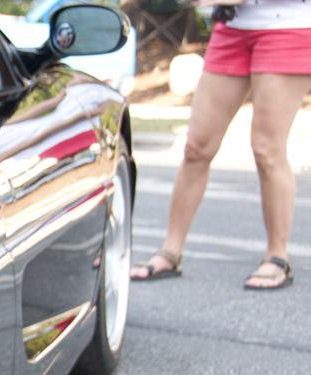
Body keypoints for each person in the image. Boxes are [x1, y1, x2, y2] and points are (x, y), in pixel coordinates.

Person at [132, 0, 311, 290]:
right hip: (232, 27)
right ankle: (171, 252)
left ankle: (277, 257)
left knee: (267, 148)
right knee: (196, 147)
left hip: (288, 27)